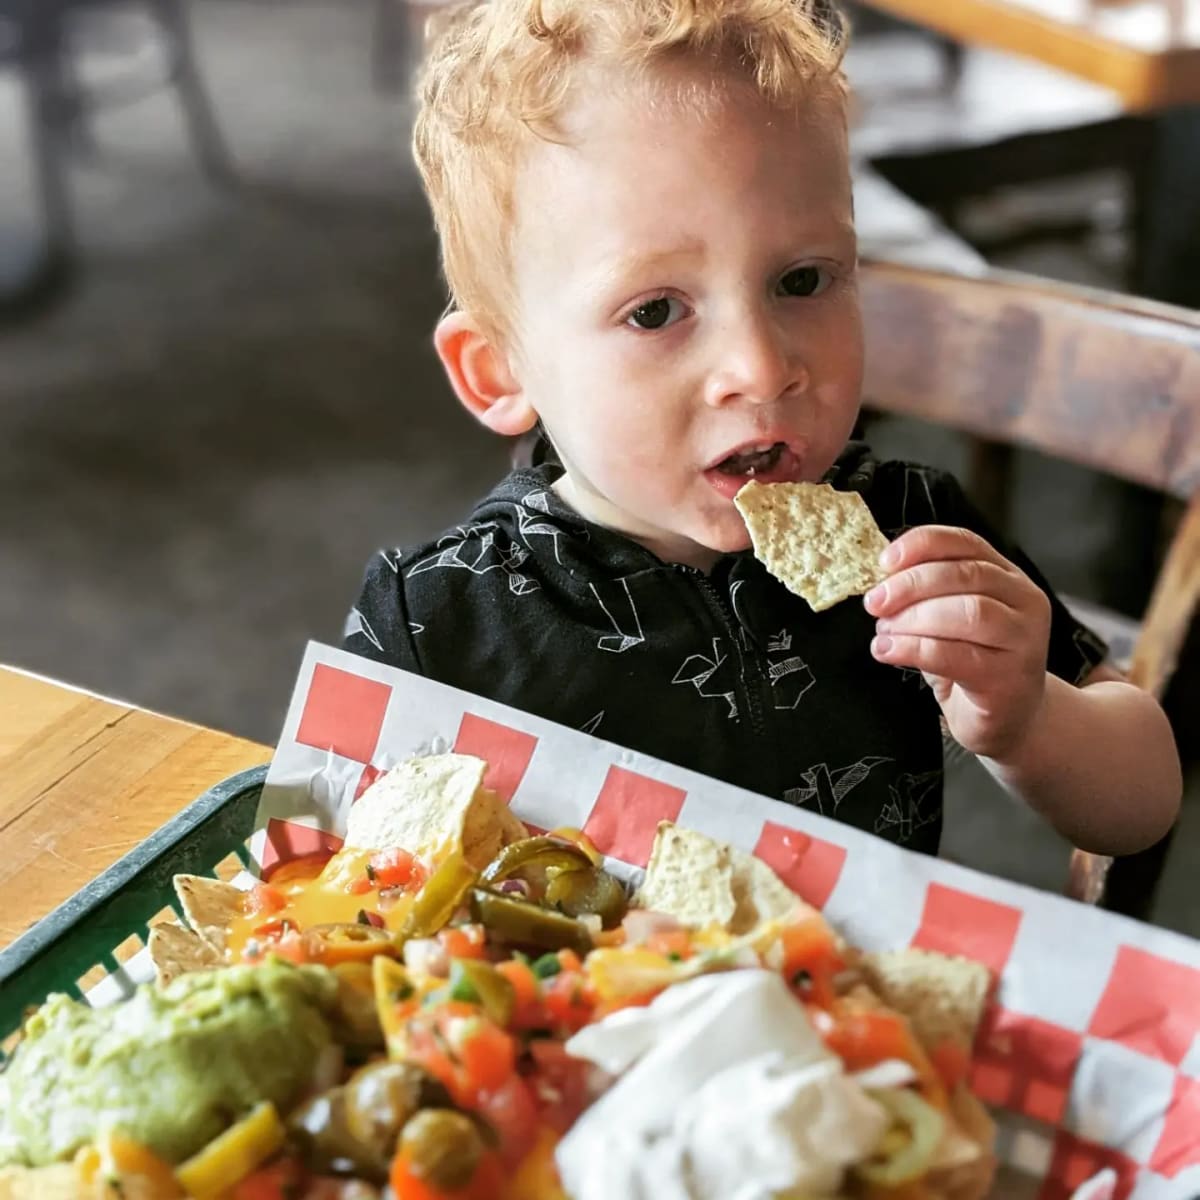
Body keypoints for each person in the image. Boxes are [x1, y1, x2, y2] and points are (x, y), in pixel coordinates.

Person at [345, 0, 1180, 858]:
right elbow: (336, 892)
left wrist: (1032, 722)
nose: (761, 366)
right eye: (657, 310)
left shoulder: (910, 530)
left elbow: (1143, 802)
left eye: (803, 280)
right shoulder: (436, 622)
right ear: (501, 370)